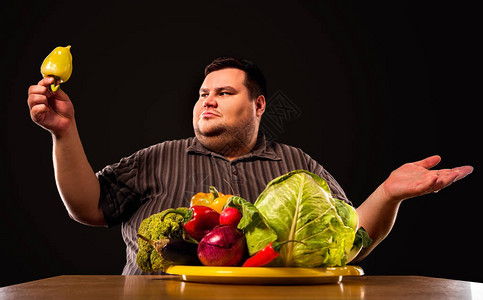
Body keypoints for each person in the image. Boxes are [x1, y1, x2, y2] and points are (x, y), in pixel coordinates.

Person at [27, 56, 473, 274]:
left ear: (259, 105)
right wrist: (63, 132)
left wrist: (388, 193)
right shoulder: (158, 156)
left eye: (224, 93)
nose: (208, 101)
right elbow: (88, 207)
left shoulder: (297, 163)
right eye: (203, 94)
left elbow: (346, 239)